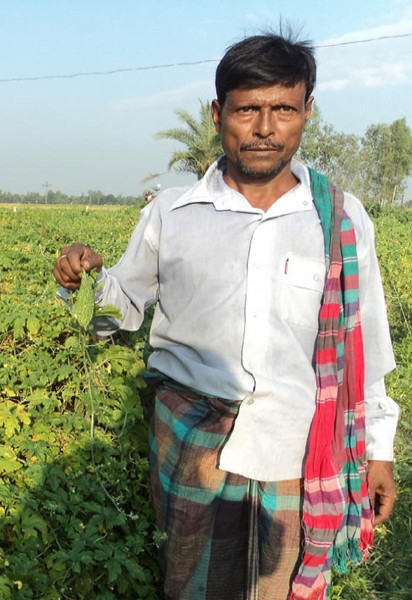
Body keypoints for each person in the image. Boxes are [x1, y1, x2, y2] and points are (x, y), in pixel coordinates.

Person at [53, 32, 398, 600]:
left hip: (296, 446)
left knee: (284, 589)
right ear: (219, 115)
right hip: (194, 447)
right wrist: (90, 272)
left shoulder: (339, 218)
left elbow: (367, 344)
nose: (265, 128)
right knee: (192, 586)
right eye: (247, 110)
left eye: (283, 109)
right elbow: (124, 312)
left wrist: (378, 450)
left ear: (307, 112)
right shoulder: (172, 213)